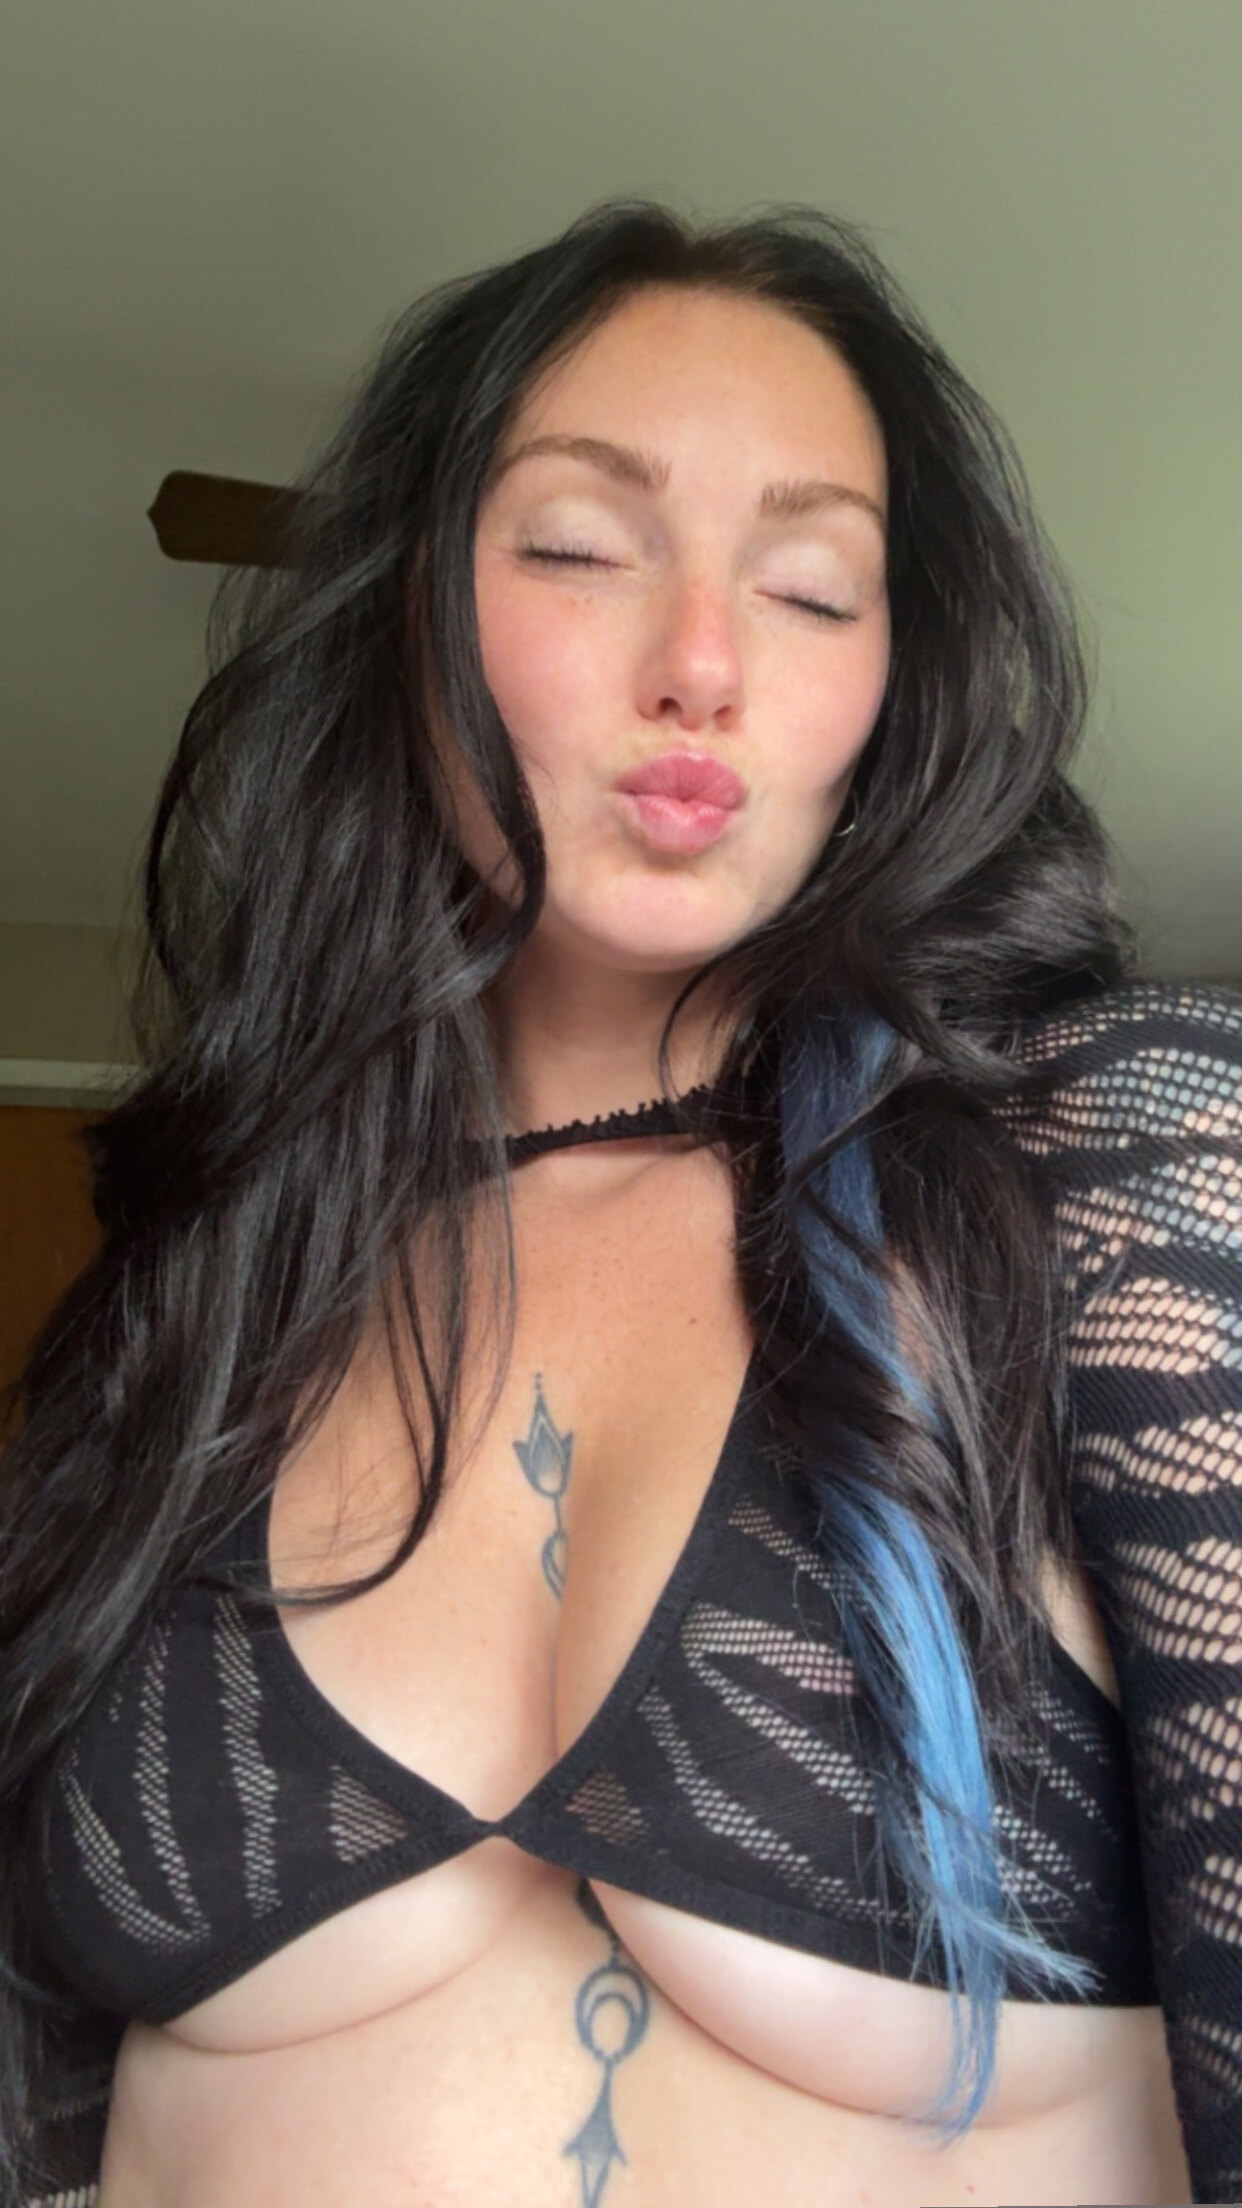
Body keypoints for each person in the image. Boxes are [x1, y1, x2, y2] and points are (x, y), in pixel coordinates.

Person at [1, 202, 1239, 2208]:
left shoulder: (1121, 1178)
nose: (703, 667)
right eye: (579, 548)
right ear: (409, 620)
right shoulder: (199, 1304)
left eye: (812, 588)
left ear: (899, 683)